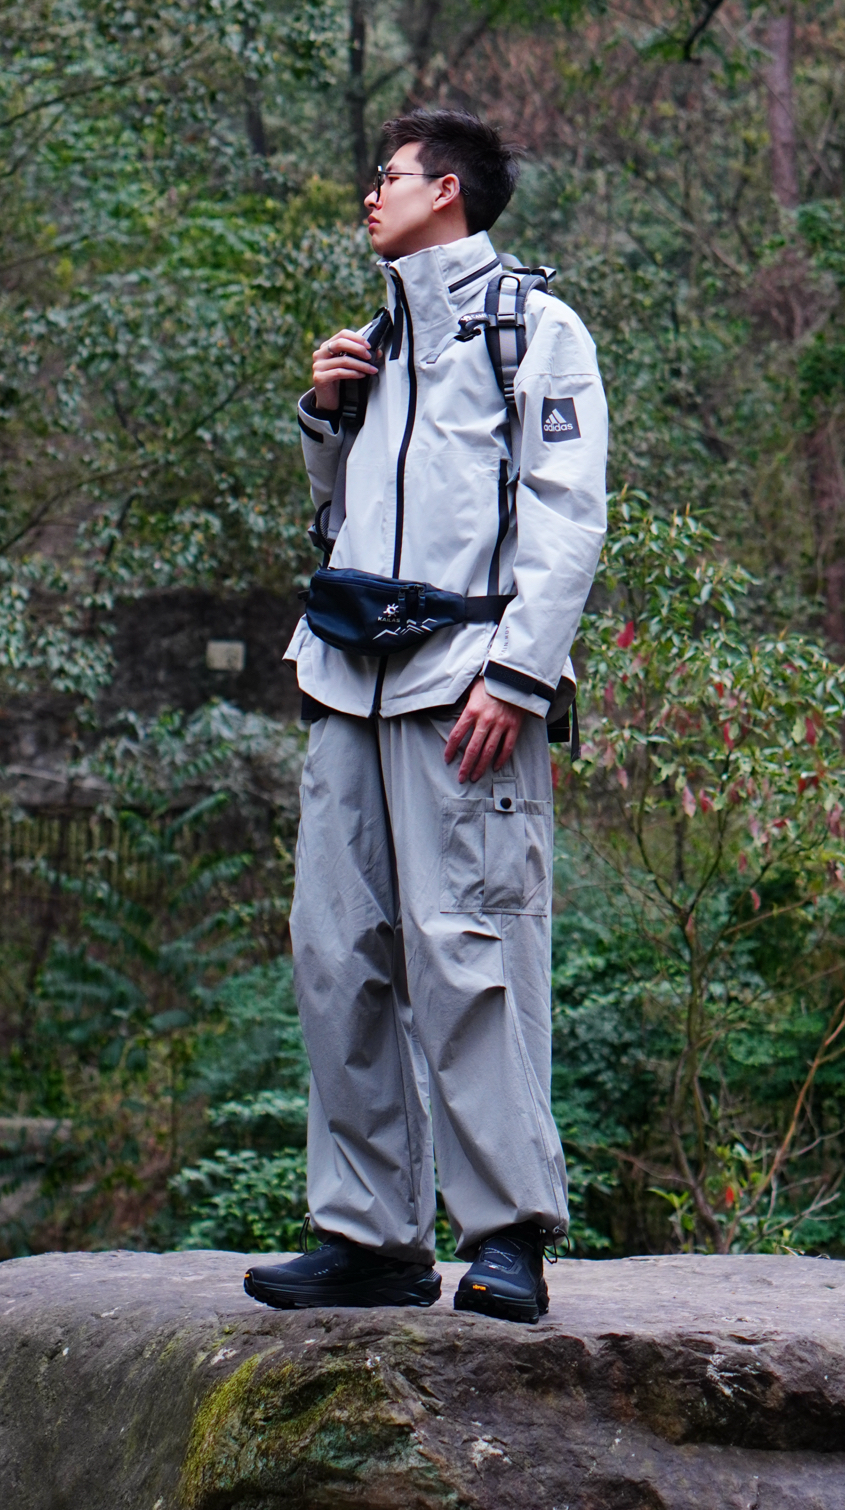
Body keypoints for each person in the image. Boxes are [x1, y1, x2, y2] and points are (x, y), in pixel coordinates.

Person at [243, 109, 608, 1324]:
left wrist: (518, 677)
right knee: (335, 952)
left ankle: (506, 1236)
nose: (370, 193)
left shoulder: (532, 329)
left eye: (387, 175)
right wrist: (325, 416)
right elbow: (340, 520)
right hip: (345, 680)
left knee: (471, 949)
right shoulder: (378, 340)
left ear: (444, 189)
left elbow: (567, 512)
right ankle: (369, 1239)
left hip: (463, 682)